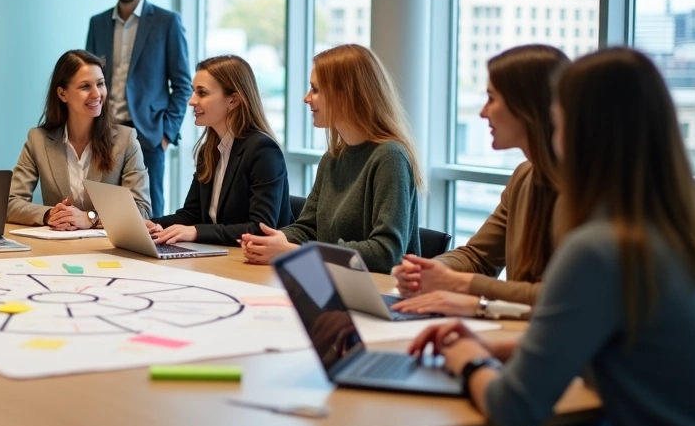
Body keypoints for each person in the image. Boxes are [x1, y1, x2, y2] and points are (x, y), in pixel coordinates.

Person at [408, 48, 695, 426]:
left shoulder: (599, 248)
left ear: (575, 132)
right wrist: (503, 348)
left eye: (557, 121)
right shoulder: (670, 230)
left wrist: (468, 357)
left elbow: (513, 407)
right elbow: (613, 339)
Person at [392, 45, 570, 318]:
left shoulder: (586, 191)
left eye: (491, 99)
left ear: (526, 106)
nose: (483, 113)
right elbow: (478, 257)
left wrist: (462, 285)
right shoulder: (524, 178)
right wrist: (427, 271)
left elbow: (564, 296)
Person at [239, 44, 424, 273]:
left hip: (380, 295)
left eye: (315, 90)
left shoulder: (390, 157)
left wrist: (294, 251)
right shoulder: (332, 158)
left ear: (346, 95)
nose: (307, 99)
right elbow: (308, 229)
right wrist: (271, 240)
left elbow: (386, 253)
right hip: (336, 283)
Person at [85, 0, 192, 218]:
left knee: (150, 215)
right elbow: (87, 79)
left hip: (148, 136)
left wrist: (166, 135)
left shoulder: (167, 22)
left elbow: (183, 85)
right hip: (103, 133)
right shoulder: (97, 23)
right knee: (100, 211)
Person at [145, 55, 292, 246]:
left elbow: (260, 228)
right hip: (223, 257)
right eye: (193, 92)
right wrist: (153, 224)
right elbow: (192, 214)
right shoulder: (209, 150)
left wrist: (196, 232)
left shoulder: (263, 150)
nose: (191, 101)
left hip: (257, 267)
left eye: (202, 93)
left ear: (233, 101)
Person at [7, 50, 150, 229]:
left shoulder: (126, 140)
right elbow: (10, 202)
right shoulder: (38, 140)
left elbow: (142, 210)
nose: (97, 94)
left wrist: (90, 218)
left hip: (107, 251)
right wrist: (48, 215)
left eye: (100, 84)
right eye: (85, 87)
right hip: (57, 248)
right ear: (62, 94)